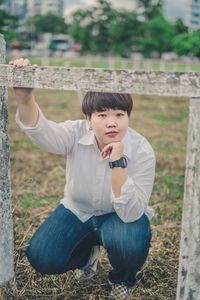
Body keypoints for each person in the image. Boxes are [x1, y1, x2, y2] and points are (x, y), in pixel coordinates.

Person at [9, 58, 156, 299]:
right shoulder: (76, 132)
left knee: (129, 241)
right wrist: (25, 98)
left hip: (119, 216)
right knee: (42, 257)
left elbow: (131, 213)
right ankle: (87, 257)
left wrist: (118, 162)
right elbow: (42, 133)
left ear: (128, 116)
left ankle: (122, 278)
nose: (112, 122)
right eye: (102, 115)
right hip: (78, 211)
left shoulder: (141, 149)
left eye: (120, 114)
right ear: (88, 119)